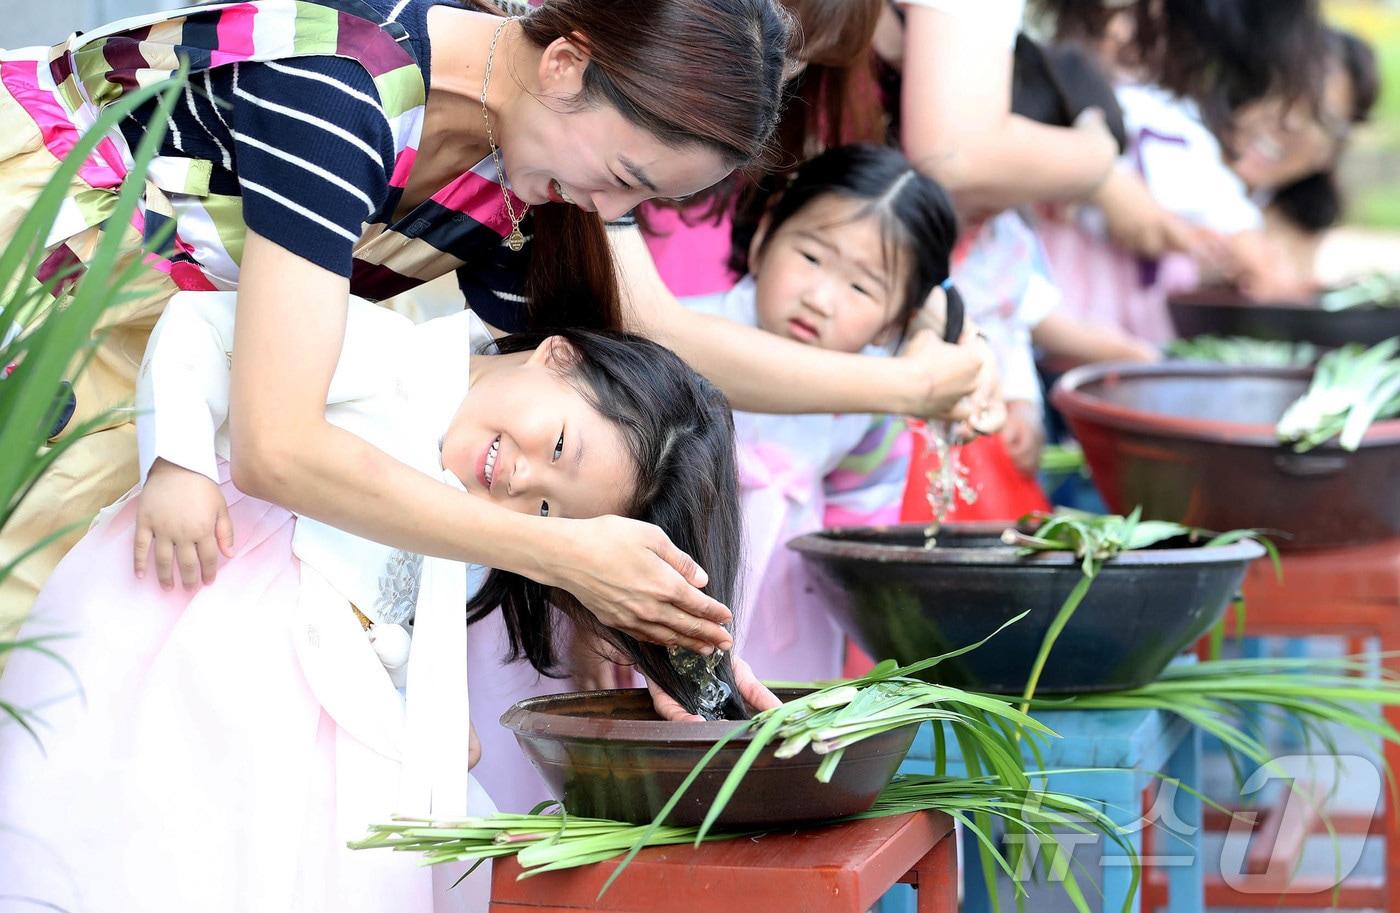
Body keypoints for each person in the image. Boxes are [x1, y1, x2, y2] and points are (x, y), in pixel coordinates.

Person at [0, 0, 994, 669]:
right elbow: (277, 446)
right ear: (566, 62)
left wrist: (672, 649)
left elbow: (633, 387)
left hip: (112, 348)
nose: (609, 212)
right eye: (627, 180)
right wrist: (558, 555)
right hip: (35, 271)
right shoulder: (344, 91)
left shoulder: (511, 170)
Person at [0, 289, 776, 912]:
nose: (525, 480)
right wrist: (179, 461)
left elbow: (396, 610)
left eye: (550, 516)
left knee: (227, 859)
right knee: (118, 813)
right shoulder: (390, 357)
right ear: (557, 355)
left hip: (295, 696)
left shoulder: (476, 514)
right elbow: (202, 321)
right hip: (192, 619)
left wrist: (683, 666)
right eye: (561, 445)